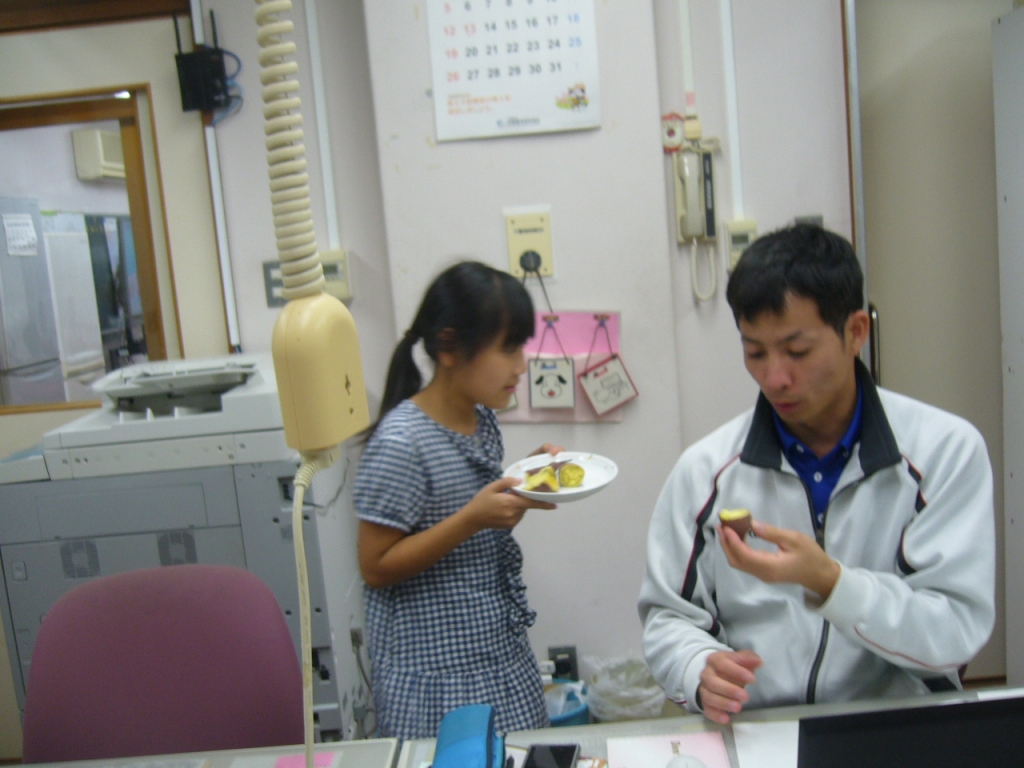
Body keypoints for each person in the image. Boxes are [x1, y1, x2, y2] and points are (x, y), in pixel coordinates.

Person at [638, 224, 995, 725]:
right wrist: (697, 667)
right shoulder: (707, 471)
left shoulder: (944, 453)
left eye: (797, 351)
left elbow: (955, 633)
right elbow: (668, 616)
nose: (774, 378)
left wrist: (832, 585)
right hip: (758, 733)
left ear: (855, 332)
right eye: (755, 352)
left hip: (900, 729)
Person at [354, 261, 559, 739]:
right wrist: (472, 518)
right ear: (449, 347)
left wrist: (527, 479)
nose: (520, 366)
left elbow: (481, 517)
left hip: (498, 657)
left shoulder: (480, 419)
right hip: (436, 682)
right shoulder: (402, 441)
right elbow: (375, 566)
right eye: (508, 348)